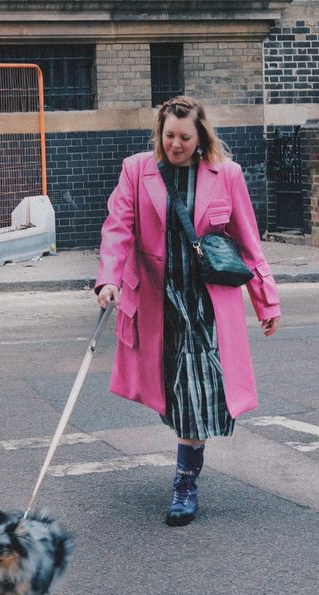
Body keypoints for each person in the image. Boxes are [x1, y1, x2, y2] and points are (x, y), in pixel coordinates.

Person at [95, 96, 280, 527]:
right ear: (159, 134)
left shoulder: (226, 175)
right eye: (169, 136)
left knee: (195, 396)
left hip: (206, 306)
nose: (175, 144)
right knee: (175, 395)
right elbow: (118, 228)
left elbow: (249, 243)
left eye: (184, 137)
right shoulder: (137, 171)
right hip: (159, 303)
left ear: (200, 138)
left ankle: (184, 485)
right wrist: (108, 279)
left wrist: (266, 301)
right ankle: (187, 470)